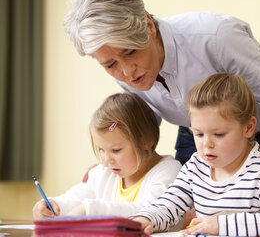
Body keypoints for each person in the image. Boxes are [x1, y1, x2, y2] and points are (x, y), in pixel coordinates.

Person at [63, 0, 260, 190]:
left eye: (130, 52)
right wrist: (111, 157)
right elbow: (143, 122)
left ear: (148, 26)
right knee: (188, 220)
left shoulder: (216, 37)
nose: (127, 72)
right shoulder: (123, 70)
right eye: (110, 64)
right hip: (195, 136)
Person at [132, 73, 260, 236]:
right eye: (198, 134)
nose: (207, 144)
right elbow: (169, 203)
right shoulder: (195, 166)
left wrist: (221, 225)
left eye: (219, 134)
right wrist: (146, 219)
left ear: (248, 128)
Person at [32, 92, 181, 219]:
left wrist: (91, 209)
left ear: (147, 141)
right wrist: (52, 205)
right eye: (101, 150)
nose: (105, 160)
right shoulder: (104, 173)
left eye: (116, 150)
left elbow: (149, 211)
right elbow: (73, 200)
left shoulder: (169, 172)